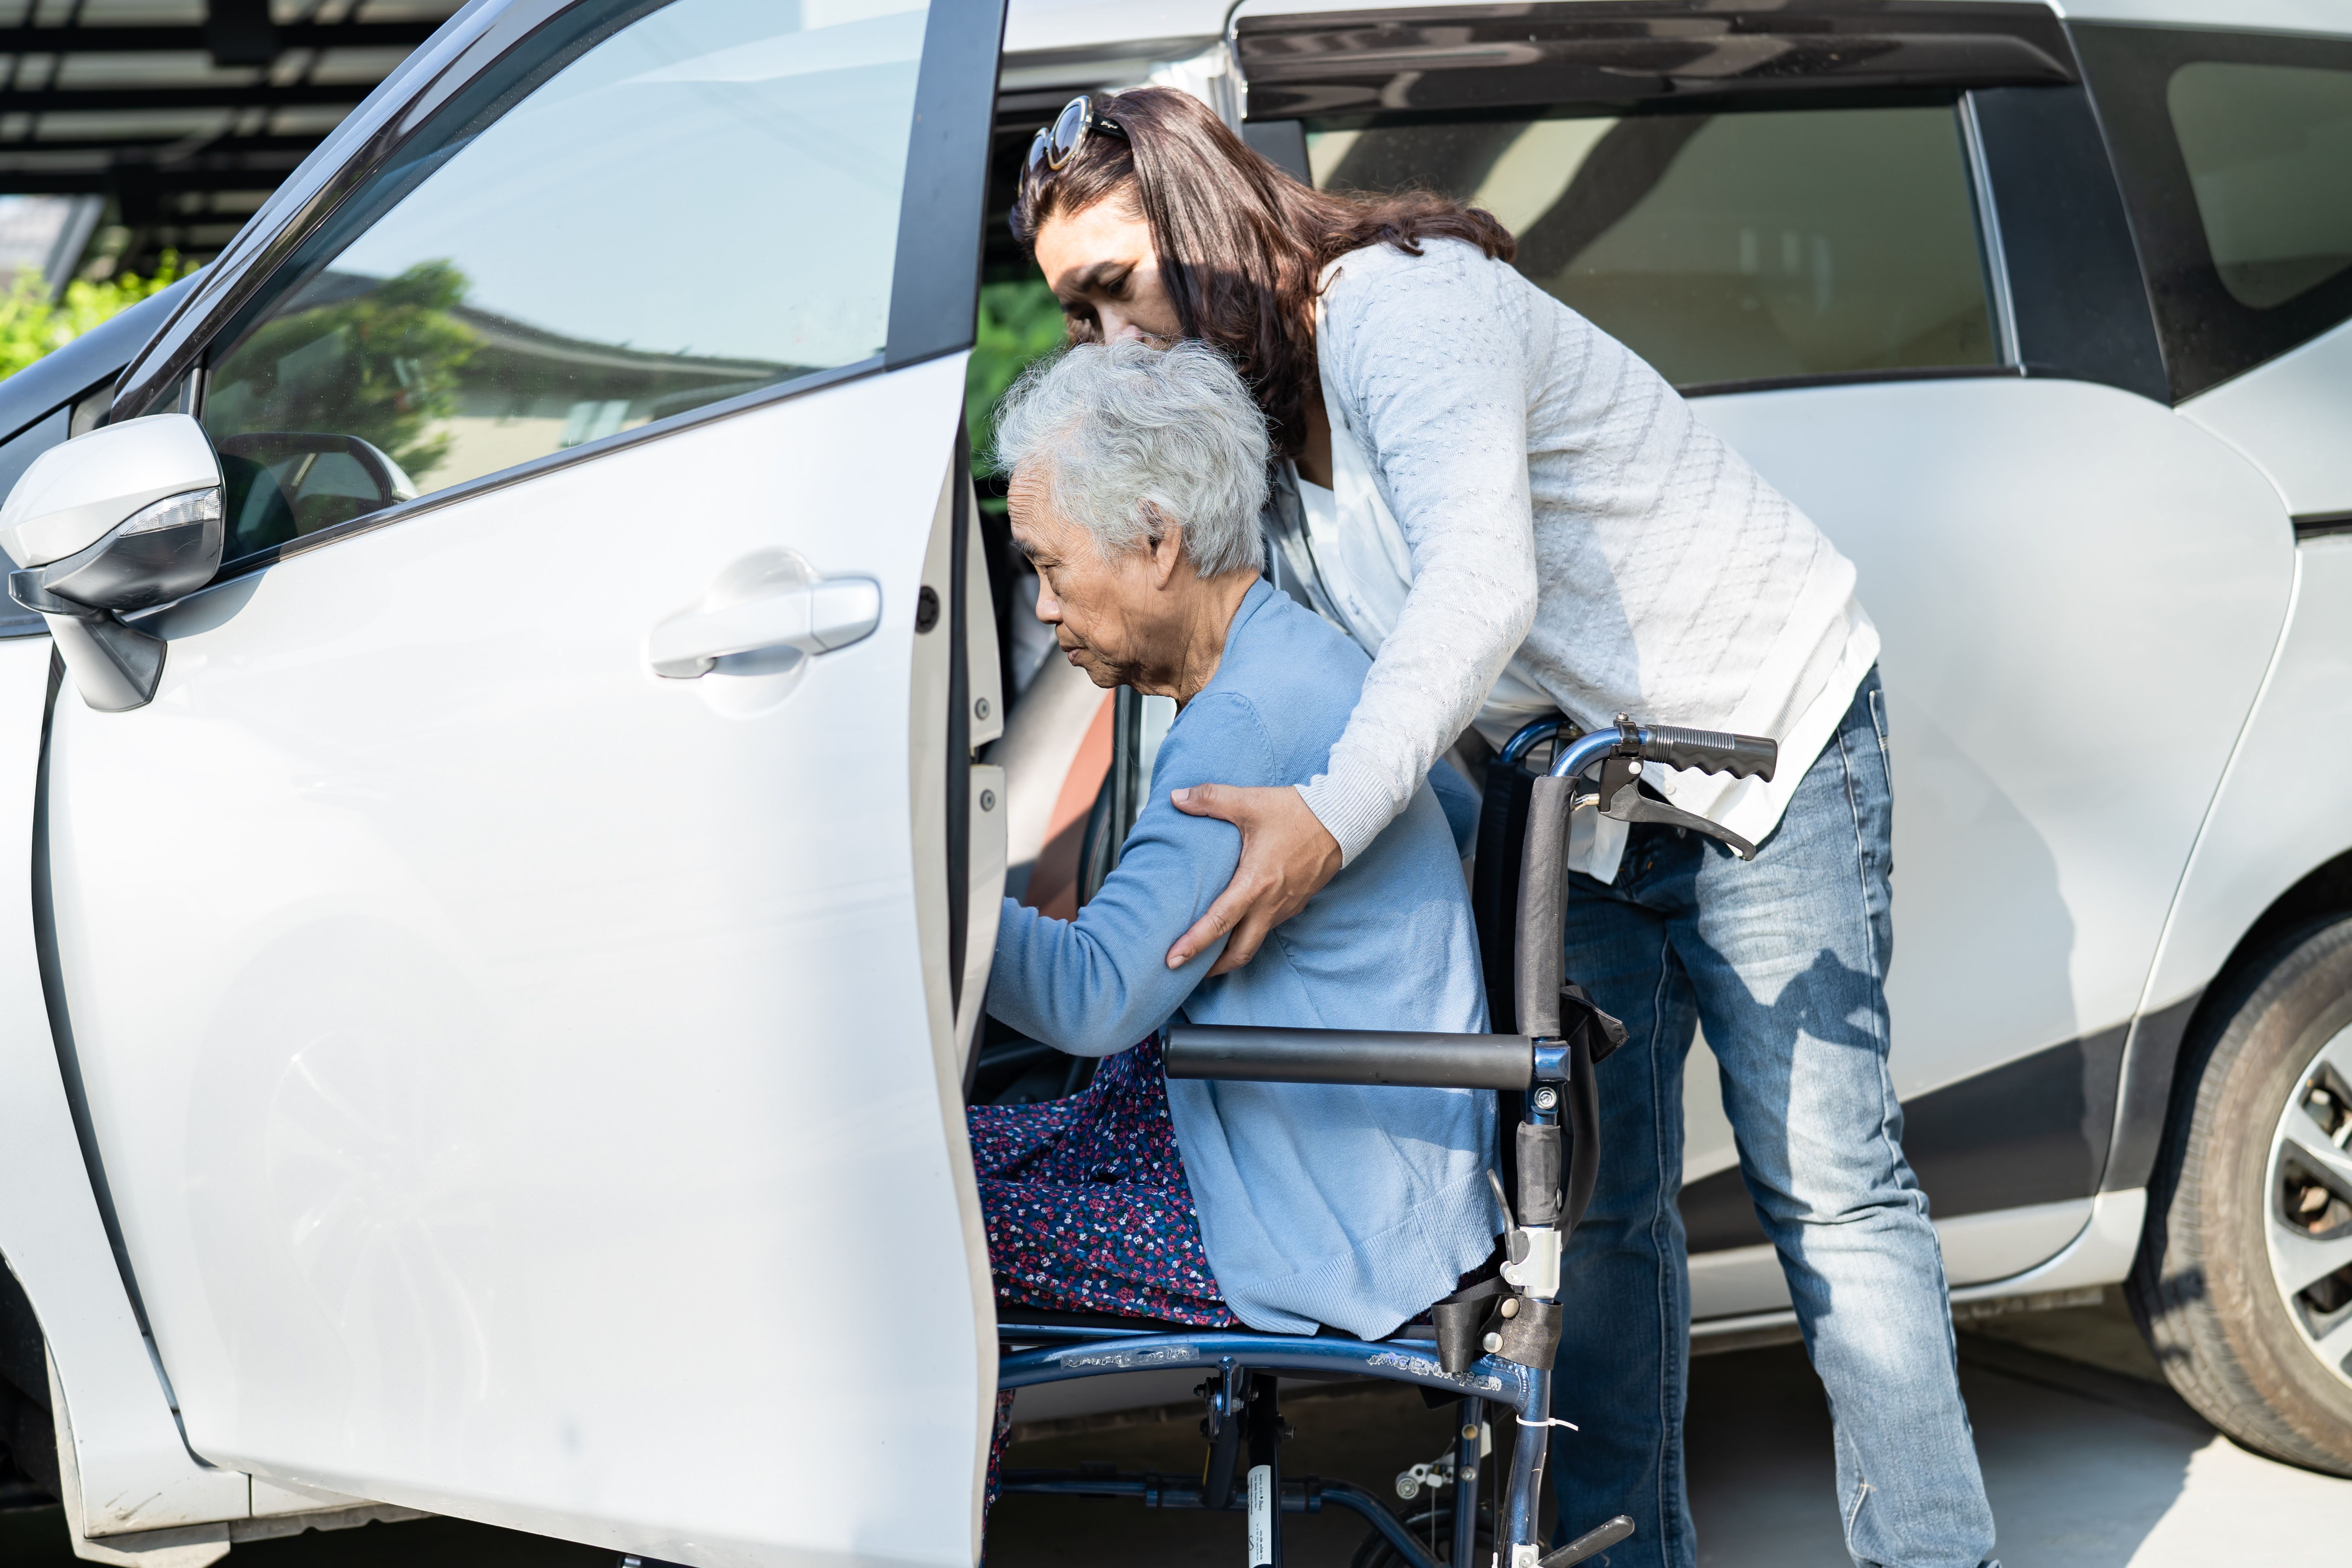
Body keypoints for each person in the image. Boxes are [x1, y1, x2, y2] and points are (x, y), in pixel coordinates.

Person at [1009, 87, 1998, 1568]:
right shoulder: (1263, 440)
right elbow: (1368, 692)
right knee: (1597, 1229)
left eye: (1113, 287)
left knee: (1835, 1195)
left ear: (1204, 226)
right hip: (1586, 791)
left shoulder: (1405, 311)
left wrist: (1329, 830)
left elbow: (1480, 590)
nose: (1108, 339)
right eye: (1076, 317)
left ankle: (1938, 1555)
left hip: (1762, 749)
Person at [973, 335, 1501, 1511]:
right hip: (1288, 1149)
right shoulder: (1283, 651)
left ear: (1158, 543)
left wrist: (933, 913)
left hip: (1302, 1214)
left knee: (906, 1214)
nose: (1047, 608)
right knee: (931, 1159)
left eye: (1053, 569)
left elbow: (1094, 997)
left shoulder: (1251, 717)